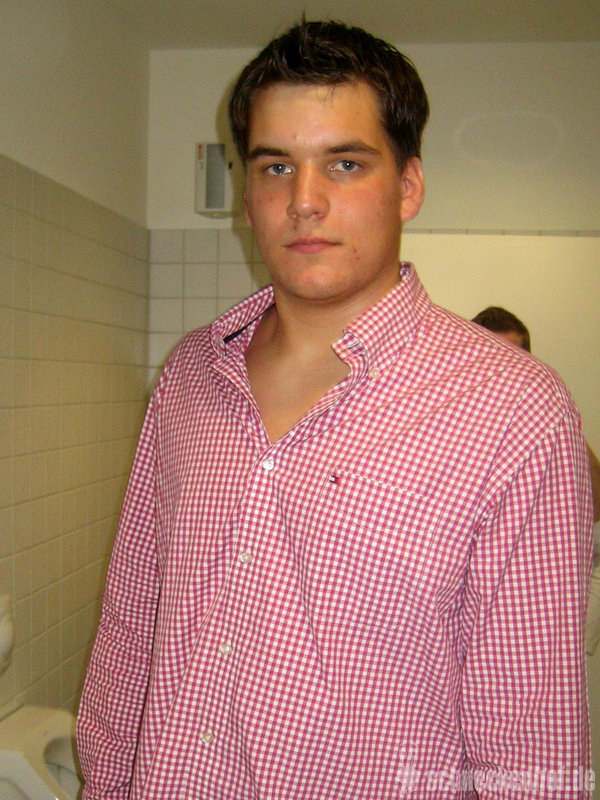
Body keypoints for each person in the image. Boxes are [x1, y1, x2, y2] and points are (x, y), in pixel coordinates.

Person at [77, 20, 593, 799]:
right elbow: (131, 621)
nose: (304, 201)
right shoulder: (189, 376)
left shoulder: (514, 410)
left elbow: (529, 737)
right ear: (247, 195)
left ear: (409, 185)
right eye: (276, 166)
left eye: (345, 164)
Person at [473, 305, 600, 654]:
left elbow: (596, 509)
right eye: (495, 358)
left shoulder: (549, 419)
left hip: (555, 587)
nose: (507, 372)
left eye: (517, 359)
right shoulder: (450, 429)